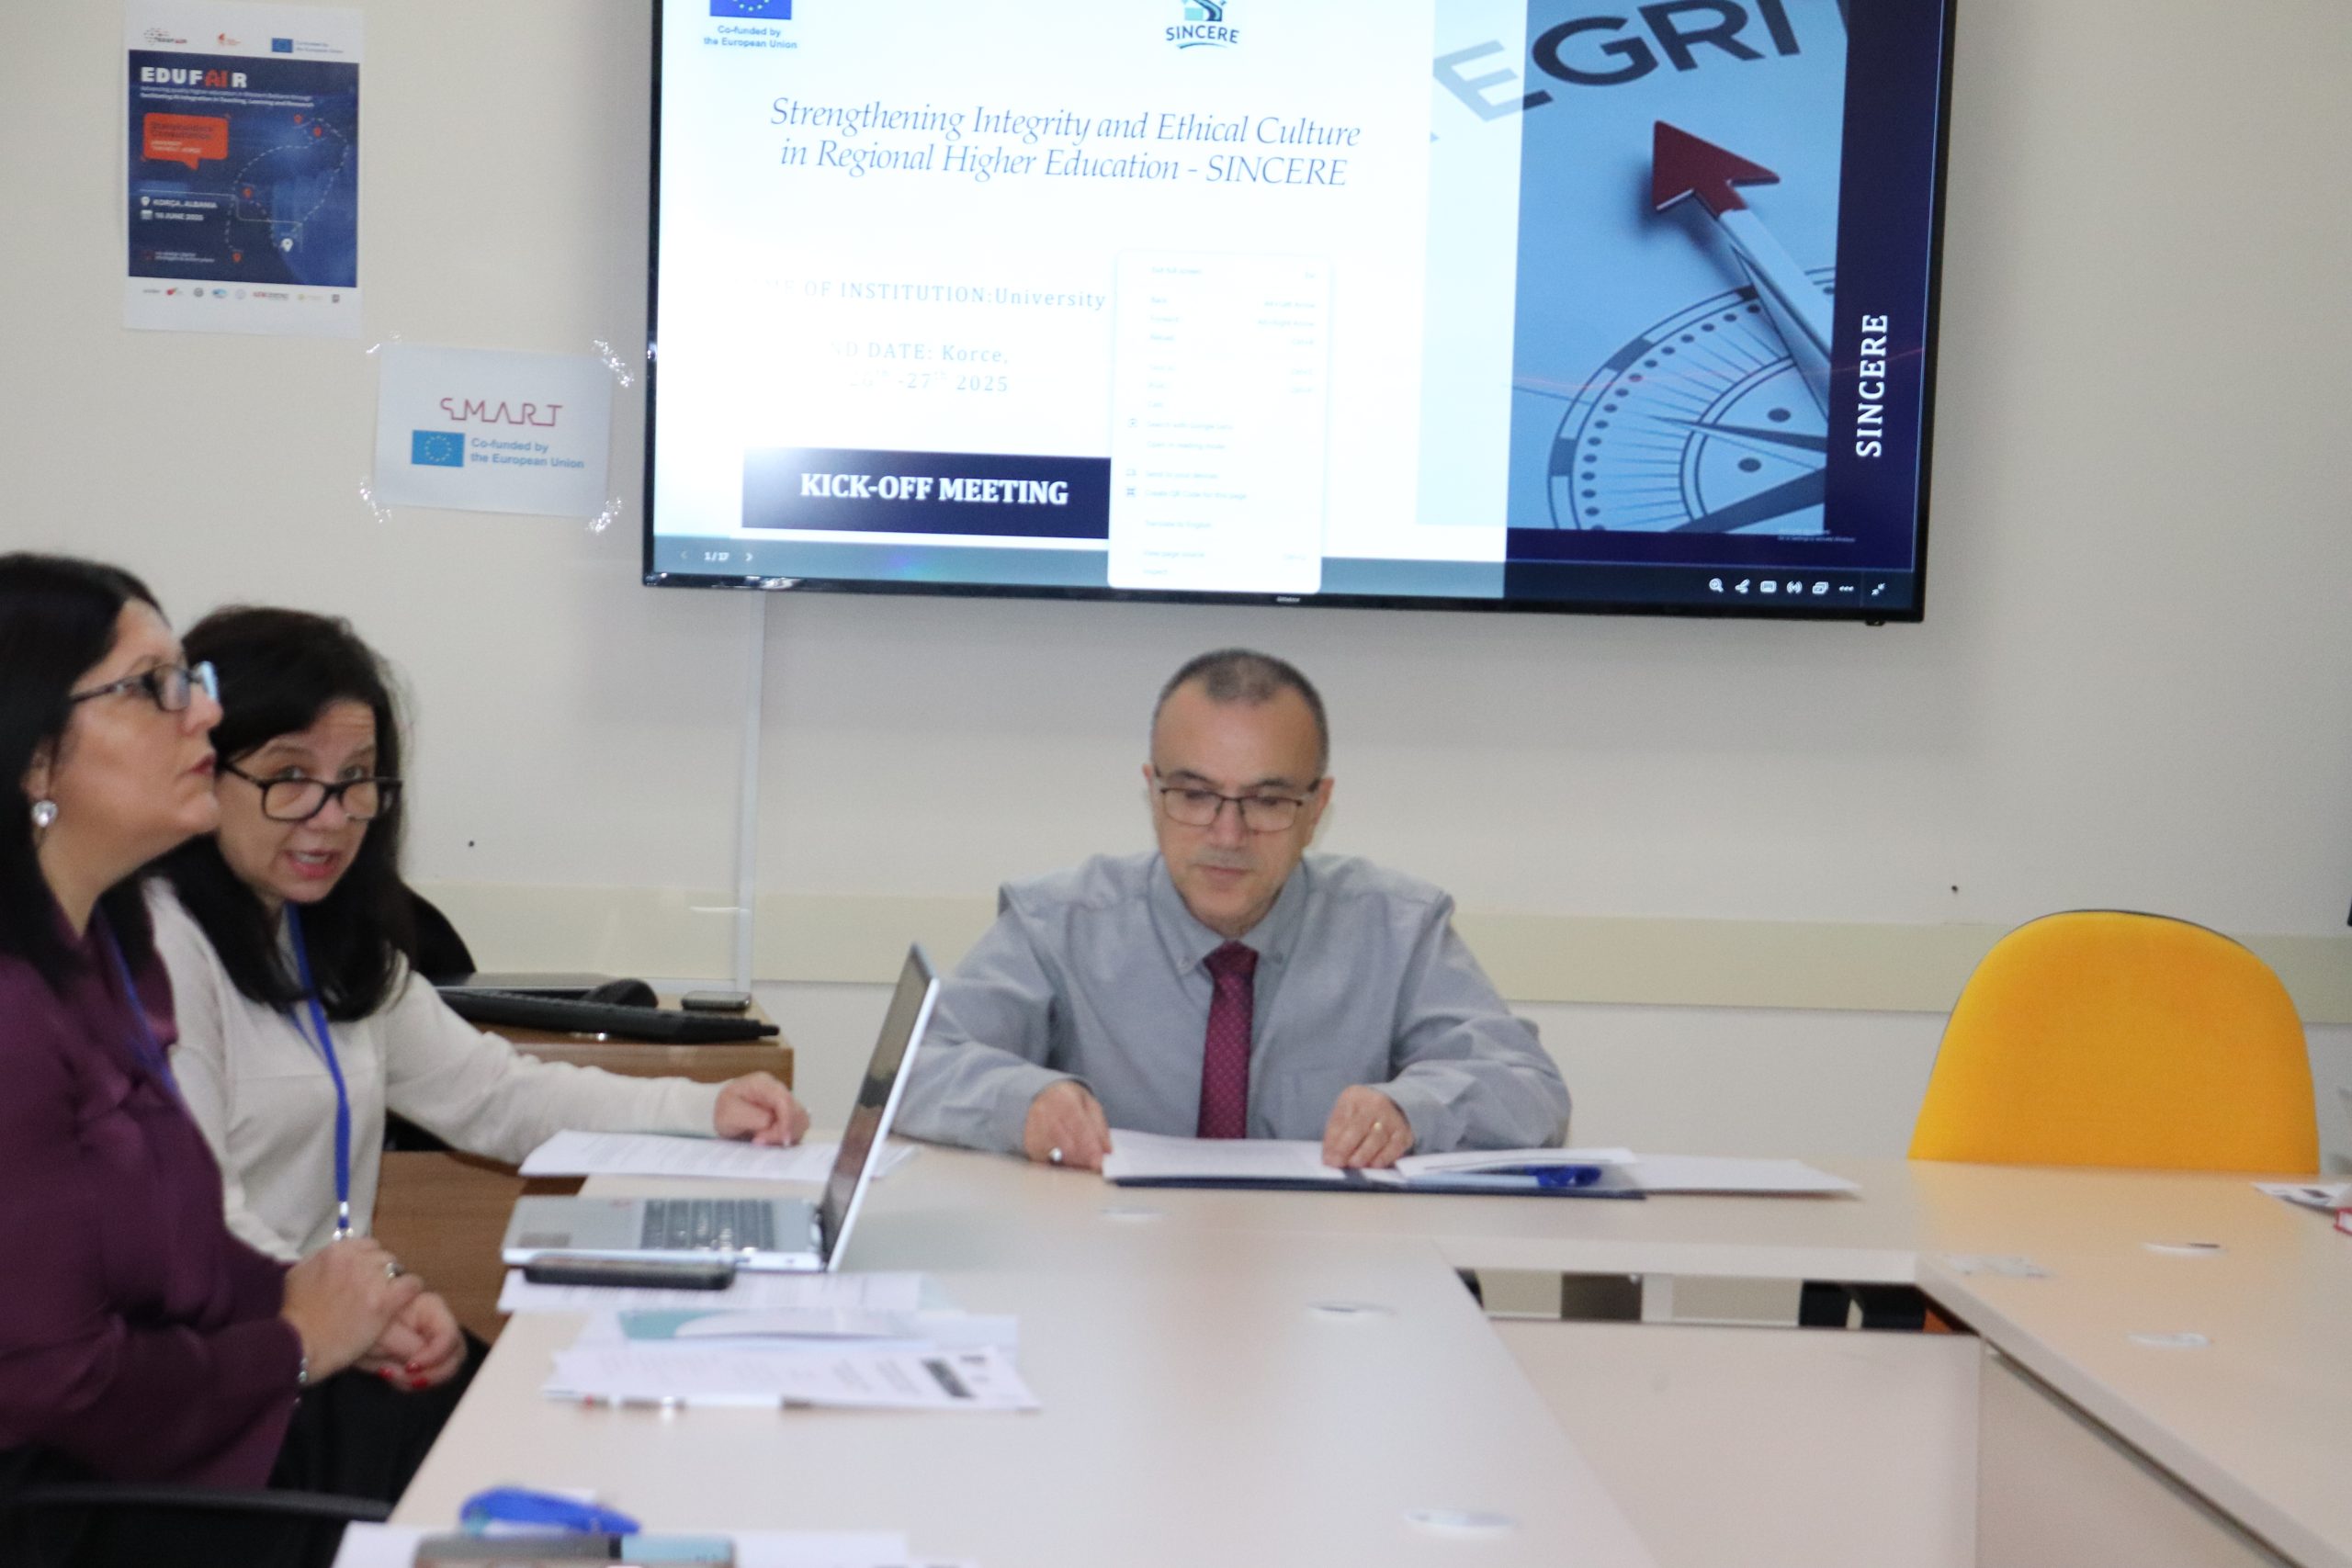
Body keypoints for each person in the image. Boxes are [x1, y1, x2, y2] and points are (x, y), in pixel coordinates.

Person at [0, 555, 460, 1568]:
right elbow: (55, 1385)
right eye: (152, 687)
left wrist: (359, 1306)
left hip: (164, 1426)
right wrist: (297, 1346)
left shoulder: (112, 949)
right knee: (479, 1483)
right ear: (34, 759)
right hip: (63, 1498)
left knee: (488, 1429)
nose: (204, 716)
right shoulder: (17, 1013)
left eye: (192, 683)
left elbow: (191, 1251)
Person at [153, 606, 811, 1263]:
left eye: (355, 778)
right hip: (243, 1317)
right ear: (199, 768)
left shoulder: (324, 937)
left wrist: (703, 1110)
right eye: (291, 776)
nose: (332, 817)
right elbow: (195, 1221)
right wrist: (344, 1302)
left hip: (326, 1308)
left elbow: (495, 1095)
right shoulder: (160, 948)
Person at [895, 649, 1569, 1172]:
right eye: (1194, 795)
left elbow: (1530, 1088)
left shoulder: (1397, 929)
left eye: (1267, 801)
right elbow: (912, 1067)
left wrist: (1410, 1110)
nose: (1227, 834)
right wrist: (1023, 1103)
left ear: (1317, 808)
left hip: (1333, 1267)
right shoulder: (1059, 923)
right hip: (1112, 1267)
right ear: (1153, 792)